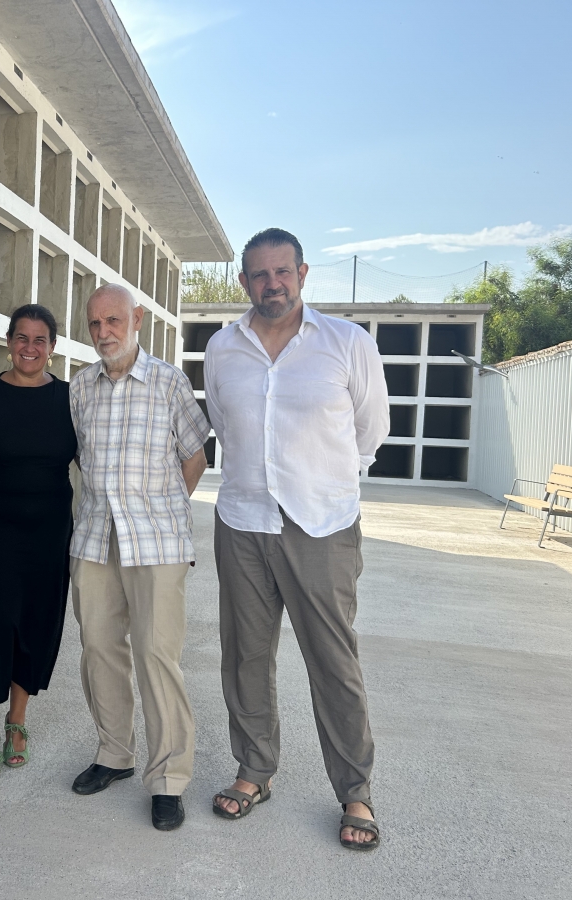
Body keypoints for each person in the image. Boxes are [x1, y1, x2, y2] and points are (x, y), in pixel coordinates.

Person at [203, 228, 389, 849]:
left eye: (282, 272)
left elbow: (370, 431)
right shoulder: (223, 349)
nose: (271, 284)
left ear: (303, 273)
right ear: (244, 282)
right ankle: (255, 769)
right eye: (259, 275)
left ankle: (355, 790)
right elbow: (225, 426)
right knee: (246, 658)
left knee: (333, 664)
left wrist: (321, 483)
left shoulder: (347, 343)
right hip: (243, 523)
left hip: (321, 527)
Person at [68, 284, 209, 831]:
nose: (104, 332)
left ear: (137, 320)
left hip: (157, 545)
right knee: (99, 649)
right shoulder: (80, 386)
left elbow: (193, 456)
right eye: (95, 322)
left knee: (156, 656)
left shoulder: (170, 382)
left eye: (113, 320)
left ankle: (169, 779)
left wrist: (166, 509)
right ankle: (114, 754)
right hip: (95, 541)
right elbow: (80, 457)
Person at [0, 305, 77, 780]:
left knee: (37, 626)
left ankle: (17, 723)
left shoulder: (70, 398)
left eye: (40, 339)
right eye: (21, 338)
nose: (30, 347)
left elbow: (93, 463)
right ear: (8, 342)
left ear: (52, 347)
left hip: (50, 535)